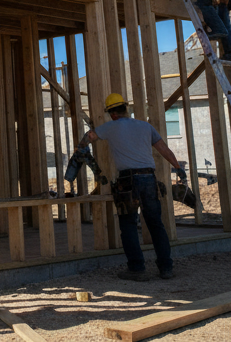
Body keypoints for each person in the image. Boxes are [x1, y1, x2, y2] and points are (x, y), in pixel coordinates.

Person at [77, 93, 187, 281]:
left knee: (128, 224)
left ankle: (137, 269)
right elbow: (164, 150)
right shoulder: (146, 126)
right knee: (155, 224)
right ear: (125, 109)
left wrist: (80, 148)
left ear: (112, 114)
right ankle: (166, 268)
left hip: (127, 182)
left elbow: (90, 137)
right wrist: (178, 168)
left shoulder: (110, 127)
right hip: (148, 179)